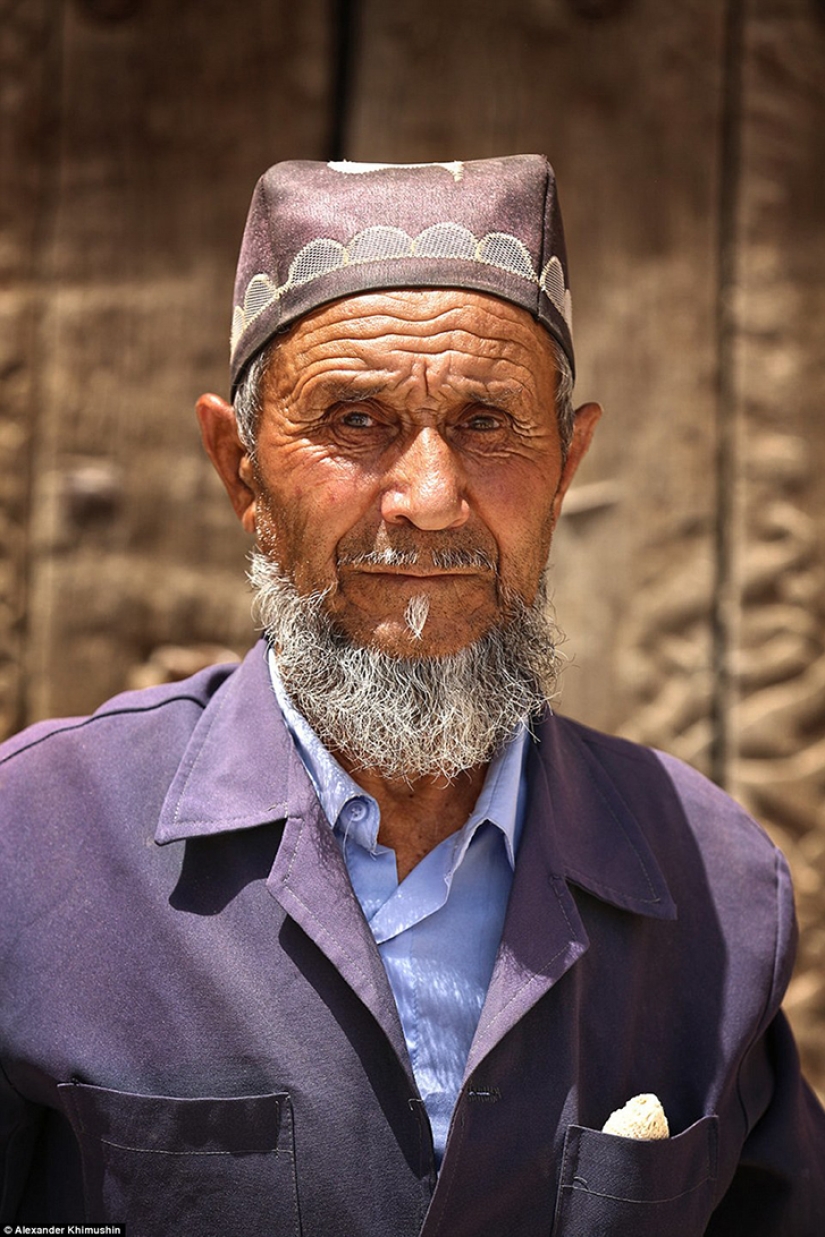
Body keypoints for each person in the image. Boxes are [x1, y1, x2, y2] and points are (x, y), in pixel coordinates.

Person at [1, 156, 823, 1236]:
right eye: (355, 419)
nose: (431, 500)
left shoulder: (713, 887)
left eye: (488, 422)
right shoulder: (36, 845)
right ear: (241, 471)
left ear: (567, 466)